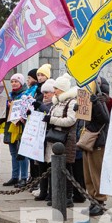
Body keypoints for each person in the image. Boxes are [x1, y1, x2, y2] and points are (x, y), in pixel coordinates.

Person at [43, 74, 82, 205]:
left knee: (66, 168)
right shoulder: (56, 102)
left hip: (66, 139)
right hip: (54, 139)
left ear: (63, 89)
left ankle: (67, 197)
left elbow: (71, 120)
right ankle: (56, 195)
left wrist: (52, 120)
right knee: (55, 168)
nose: (54, 91)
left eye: (57, 88)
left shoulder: (72, 102)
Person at [81, 78, 112, 216]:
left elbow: (105, 118)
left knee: (96, 173)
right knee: (88, 173)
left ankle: (99, 200)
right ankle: (92, 199)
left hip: (98, 140)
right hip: (89, 139)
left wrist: (96, 103)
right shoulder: (90, 98)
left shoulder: (102, 100)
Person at [31, 80, 59, 202]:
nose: (45, 95)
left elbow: (50, 115)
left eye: (48, 92)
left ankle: (51, 193)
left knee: (50, 167)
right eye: (44, 92)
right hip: (40, 138)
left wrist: (40, 106)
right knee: (41, 167)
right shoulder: (42, 103)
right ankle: (43, 191)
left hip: (50, 138)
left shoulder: (54, 104)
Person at [4, 73, 30, 186]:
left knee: (22, 153)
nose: (14, 83)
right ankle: (15, 176)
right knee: (13, 152)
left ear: (21, 83)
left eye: (16, 81)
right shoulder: (10, 95)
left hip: (21, 126)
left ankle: (24, 177)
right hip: (11, 126)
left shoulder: (26, 94)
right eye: (12, 82)